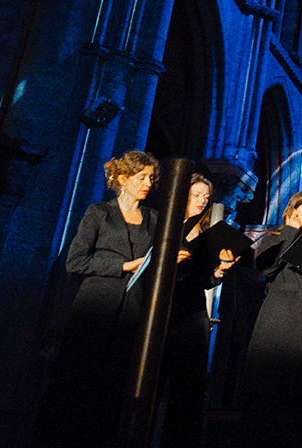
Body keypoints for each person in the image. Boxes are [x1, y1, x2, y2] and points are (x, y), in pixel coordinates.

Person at [36, 150, 159, 447]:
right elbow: (75, 262)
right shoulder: (99, 213)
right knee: (80, 380)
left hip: (133, 310)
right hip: (95, 308)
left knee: (116, 385)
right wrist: (123, 266)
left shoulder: (154, 219)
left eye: (152, 178)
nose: (148, 183)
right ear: (122, 179)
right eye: (141, 177)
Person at [237, 191, 302, 446]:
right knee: (270, 396)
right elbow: (264, 267)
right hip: (279, 322)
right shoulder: (275, 237)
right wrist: (291, 230)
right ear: (292, 211)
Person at [158, 173, 236, 448]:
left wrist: (220, 270)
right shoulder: (162, 224)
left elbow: (206, 279)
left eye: (207, 197)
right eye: (197, 195)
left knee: (188, 388)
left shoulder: (205, 234)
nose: (203, 201)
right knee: (154, 379)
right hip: (163, 307)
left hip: (192, 310)